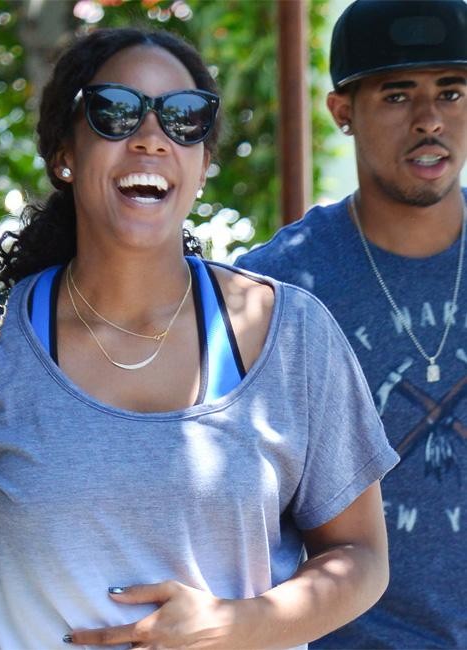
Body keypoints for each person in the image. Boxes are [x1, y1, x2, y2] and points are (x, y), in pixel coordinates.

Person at [0, 27, 397, 649]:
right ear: (64, 154)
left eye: (184, 118)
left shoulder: (290, 334)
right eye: (115, 112)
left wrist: (236, 625)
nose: (151, 137)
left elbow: (361, 555)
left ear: (203, 165)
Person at [236, 1, 467, 647]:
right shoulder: (274, 288)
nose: (429, 119)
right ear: (342, 112)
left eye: (451, 92)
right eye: (397, 95)